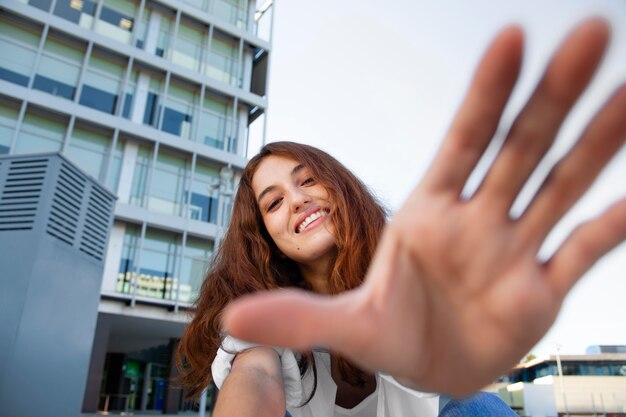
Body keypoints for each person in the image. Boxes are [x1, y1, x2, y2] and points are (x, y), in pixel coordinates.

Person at [177, 17, 626, 416]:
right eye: (273, 203)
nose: (296, 200)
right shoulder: (265, 313)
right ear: (264, 236)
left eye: (308, 181)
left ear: (343, 189)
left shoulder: (407, 278)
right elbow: (257, 379)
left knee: (473, 406)